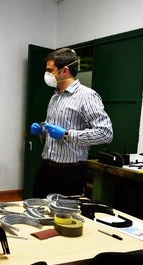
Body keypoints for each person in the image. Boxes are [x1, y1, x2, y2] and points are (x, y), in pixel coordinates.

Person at [30, 48, 113, 198]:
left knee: (62, 218)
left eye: (50, 70)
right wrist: (41, 130)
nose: (47, 74)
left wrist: (67, 134)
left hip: (70, 172)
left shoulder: (87, 96)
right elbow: (54, 128)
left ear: (65, 70)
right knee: (37, 209)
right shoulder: (55, 96)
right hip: (46, 167)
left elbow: (105, 133)